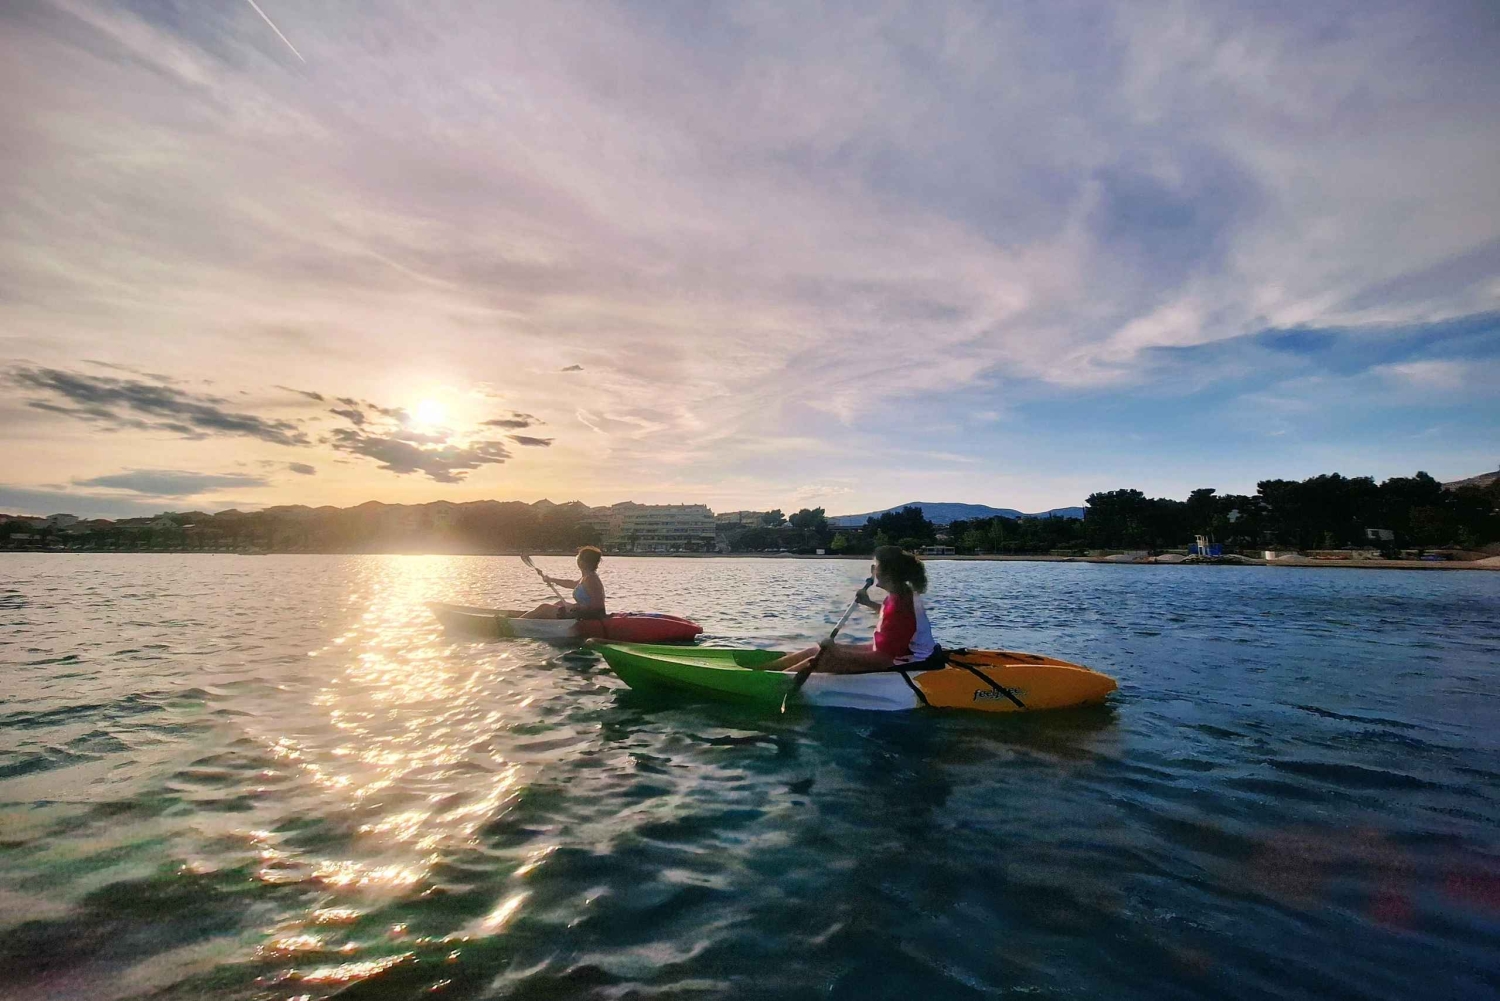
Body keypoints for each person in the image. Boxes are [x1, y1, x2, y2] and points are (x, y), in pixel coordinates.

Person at [769, 545, 935, 675]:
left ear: (888, 574)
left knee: (822, 660)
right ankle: (763, 669)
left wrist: (838, 653)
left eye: (875, 566)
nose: (872, 570)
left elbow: (883, 660)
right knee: (817, 650)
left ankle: (771, 683)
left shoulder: (901, 605)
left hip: (909, 662)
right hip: (896, 655)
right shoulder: (899, 594)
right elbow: (893, 622)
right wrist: (869, 603)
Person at [520, 546, 606, 619]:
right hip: (582, 613)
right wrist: (551, 579)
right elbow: (572, 584)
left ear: (582, 562)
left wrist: (576, 607)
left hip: (589, 616)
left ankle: (517, 622)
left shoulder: (591, 580)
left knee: (544, 608)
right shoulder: (587, 577)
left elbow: (598, 607)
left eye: (578, 557)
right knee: (559, 603)